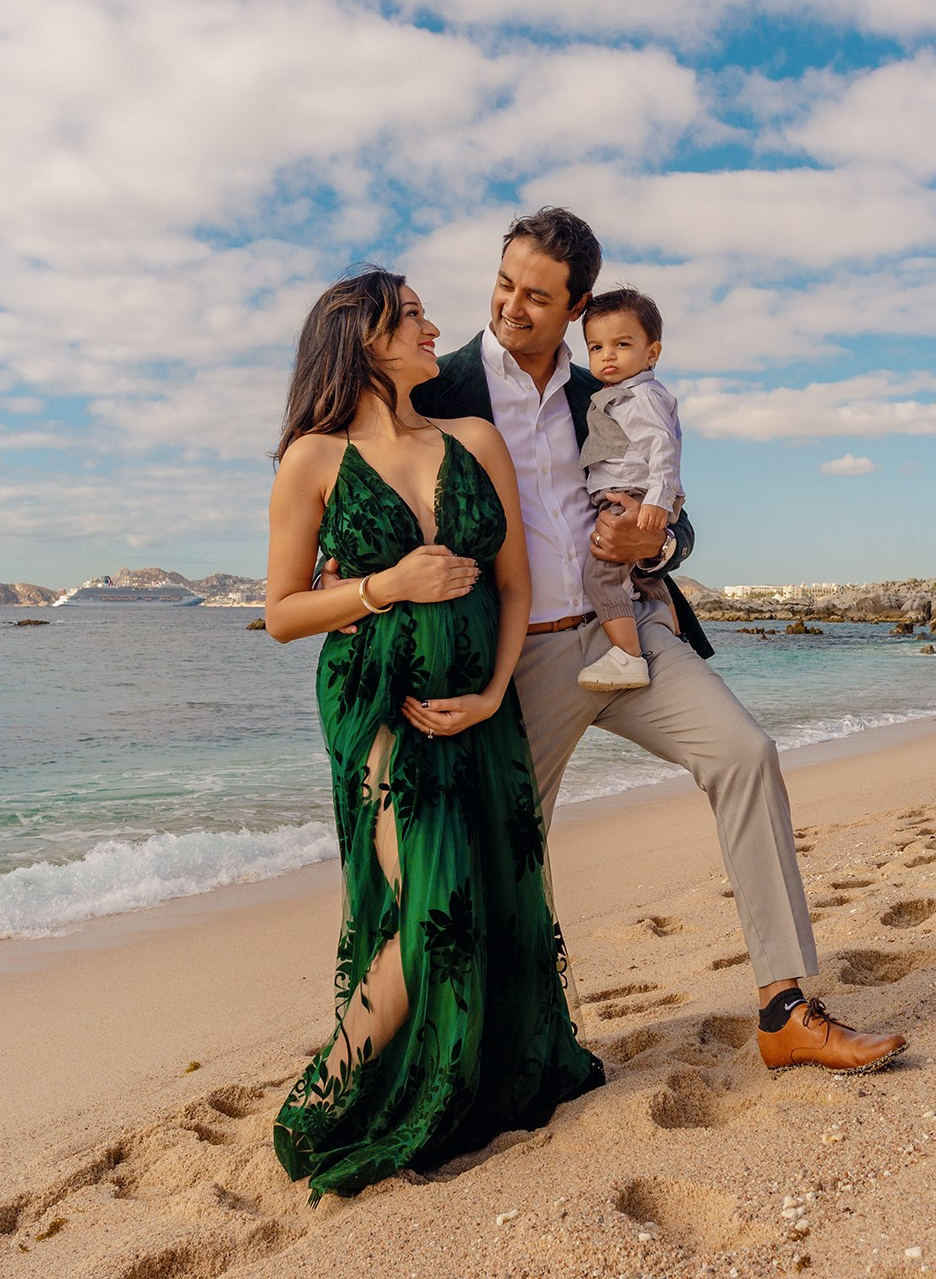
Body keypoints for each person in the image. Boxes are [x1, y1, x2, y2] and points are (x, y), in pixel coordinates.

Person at [408, 208, 908, 1074]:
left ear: (578, 305)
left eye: (536, 295)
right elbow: (352, 462)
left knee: (746, 752)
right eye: (503, 284)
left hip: (628, 632)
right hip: (515, 659)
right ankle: (528, 1045)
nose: (510, 307)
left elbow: (673, 518)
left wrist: (659, 545)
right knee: (514, 850)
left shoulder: (605, 385)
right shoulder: (441, 388)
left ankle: (785, 1008)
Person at [262, 270, 603, 1199]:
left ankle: (464, 1076)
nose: (433, 328)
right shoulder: (314, 460)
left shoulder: (476, 439)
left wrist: (496, 692)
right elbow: (285, 611)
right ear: (361, 335)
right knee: (430, 910)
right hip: (376, 706)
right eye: (413, 316)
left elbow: (516, 586)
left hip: (479, 707)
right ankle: (322, 1099)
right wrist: (388, 587)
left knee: (491, 888)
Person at [573, 286, 682, 692]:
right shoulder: (617, 395)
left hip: (633, 495)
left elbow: (662, 447)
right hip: (634, 492)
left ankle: (628, 658)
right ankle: (672, 634)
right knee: (645, 579)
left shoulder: (641, 397)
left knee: (601, 576)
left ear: (651, 353)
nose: (607, 356)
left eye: (621, 344)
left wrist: (657, 499)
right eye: (596, 347)